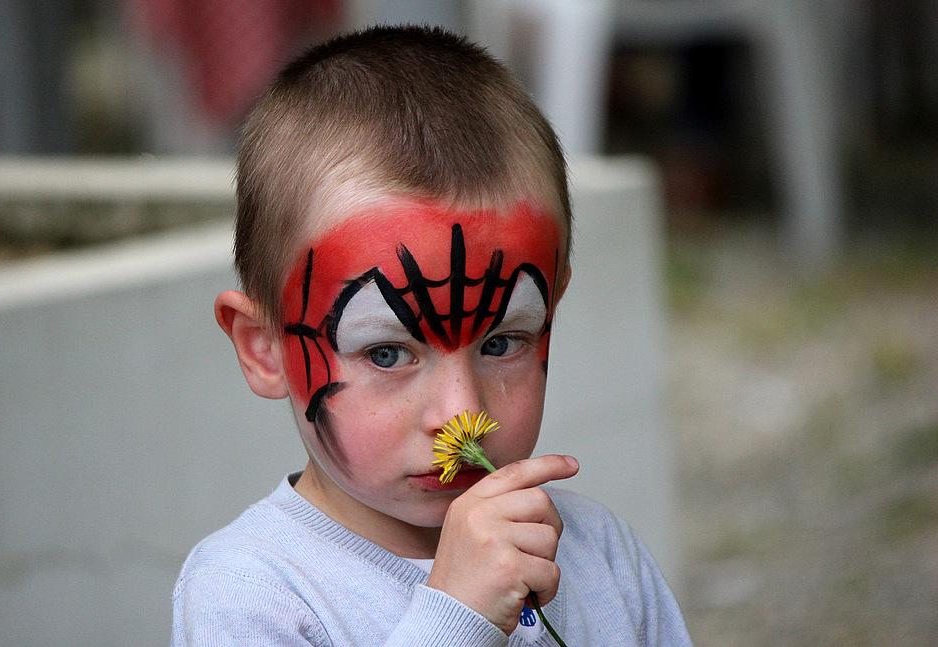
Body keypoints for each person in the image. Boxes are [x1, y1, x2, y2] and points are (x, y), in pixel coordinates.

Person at [170, 24, 692, 646]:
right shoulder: (251, 595)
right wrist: (455, 616)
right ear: (266, 348)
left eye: (501, 343)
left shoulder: (598, 557)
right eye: (388, 353)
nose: (462, 416)